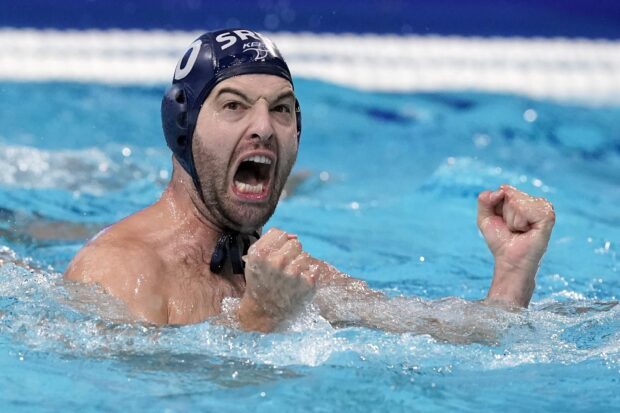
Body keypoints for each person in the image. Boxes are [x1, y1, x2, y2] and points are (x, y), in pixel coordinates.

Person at [64, 28, 555, 334]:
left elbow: (459, 339)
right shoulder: (119, 271)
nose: (263, 127)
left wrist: (512, 273)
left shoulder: (288, 272)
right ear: (182, 127)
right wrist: (261, 316)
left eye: (281, 109)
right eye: (234, 105)